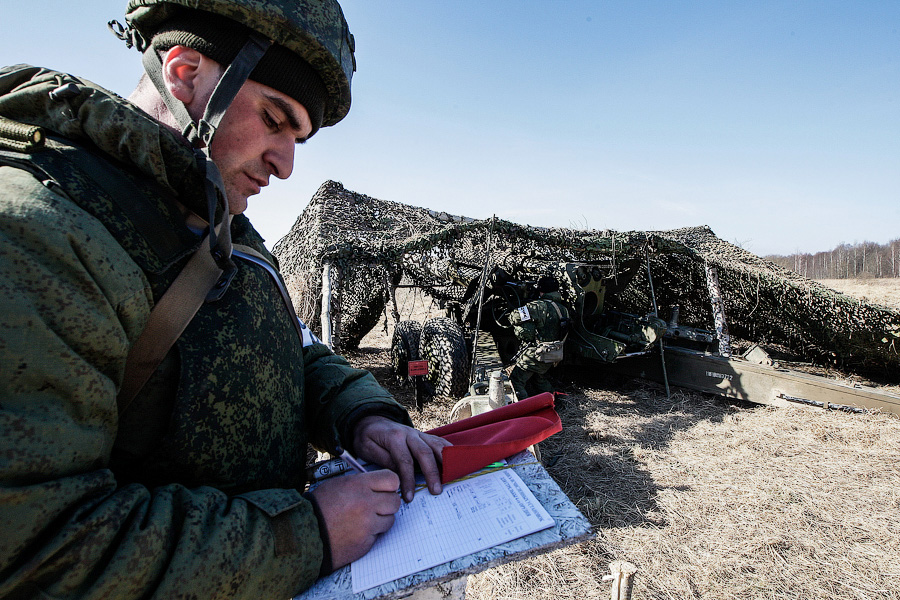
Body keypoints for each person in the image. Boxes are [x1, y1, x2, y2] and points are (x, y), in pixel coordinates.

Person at [0, 1, 450, 598]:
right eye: (274, 118)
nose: (286, 166)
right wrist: (307, 533)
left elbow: (293, 347)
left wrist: (362, 415)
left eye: (298, 137)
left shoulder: (225, 224)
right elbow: (39, 549)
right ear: (185, 73)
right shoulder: (43, 232)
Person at [508, 276, 570, 400]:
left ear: (541, 290)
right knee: (540, 379)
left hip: (536, 353)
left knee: (516, 381)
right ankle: (552, 402)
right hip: (553, 354)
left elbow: (514, 317)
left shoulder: (538, 306)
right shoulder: (563, 309)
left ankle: (523, 409)